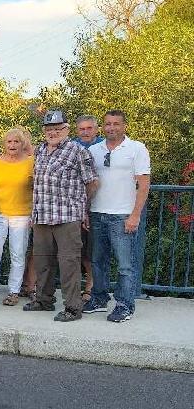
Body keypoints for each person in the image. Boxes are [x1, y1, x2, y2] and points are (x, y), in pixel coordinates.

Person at [24, 110, 98, 322]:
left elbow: (92, 182)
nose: (53, 132)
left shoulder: (77, 151)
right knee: (42, 261)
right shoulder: (39, 151)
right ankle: (44, 300)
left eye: (57, 128)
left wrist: (82, 209)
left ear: (66, 129)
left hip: (67, 216)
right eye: (49, 129)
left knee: (69, 263)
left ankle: (73, 308)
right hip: (42, 216)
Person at [83, 110, 150, 323]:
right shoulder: (94, 150)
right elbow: (89, 183)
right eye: (108, 124)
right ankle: (99, 298)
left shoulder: (136, 149)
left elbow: (144, 184)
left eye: (116, 124)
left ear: (124, 126)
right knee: (97, 261)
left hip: (123, 215)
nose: (112, 127)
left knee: (125, 265)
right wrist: (86, 210)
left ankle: (124, 305)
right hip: (97, 213)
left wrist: (135, 215)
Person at [0, 128, 34, 306]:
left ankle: (14, 291)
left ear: (22, 144)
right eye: (9, 142)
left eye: (16, 142)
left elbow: (37, 191)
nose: (12, 145)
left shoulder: (31, 162)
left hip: (22, 216)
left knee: (17, 255)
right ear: (4, 144)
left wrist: (35, 214)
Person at [72, 115, 104, 302]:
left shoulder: (104, 146)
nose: (85, 132)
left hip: (98, 205)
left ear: (96, 129)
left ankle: (92, 288)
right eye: (82, 129)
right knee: (77, 252)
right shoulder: (72, 146)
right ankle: (76, 288)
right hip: (75, 207)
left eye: (89, 128)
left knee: (93, 252)